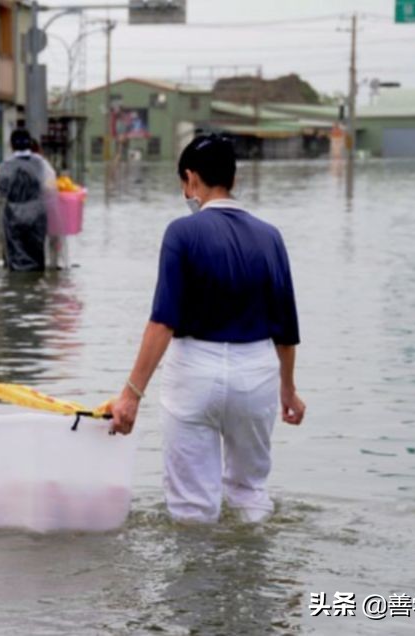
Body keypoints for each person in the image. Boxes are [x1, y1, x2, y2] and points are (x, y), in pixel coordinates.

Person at [107, 134, 306, 524]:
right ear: (233, 178)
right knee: (250, 494)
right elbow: (286, 327)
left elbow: (163, 321)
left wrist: (131, 395)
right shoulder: (270, 237)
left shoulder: (182, 233)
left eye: (184, 185)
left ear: (191, 178)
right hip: (256, 373)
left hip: (194, 373)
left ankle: (198, 582)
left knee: (191, 508)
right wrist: (289, 389)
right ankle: (255, 577)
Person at [0, 129, 57, 271]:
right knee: (37, 255)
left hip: (12, 216)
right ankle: (36, 287)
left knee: (14, 256)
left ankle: (17, 288)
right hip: (38, 214)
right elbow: (51, 188)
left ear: (11, 145)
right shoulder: (41, 163)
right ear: (30, 144)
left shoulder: (5, 166)